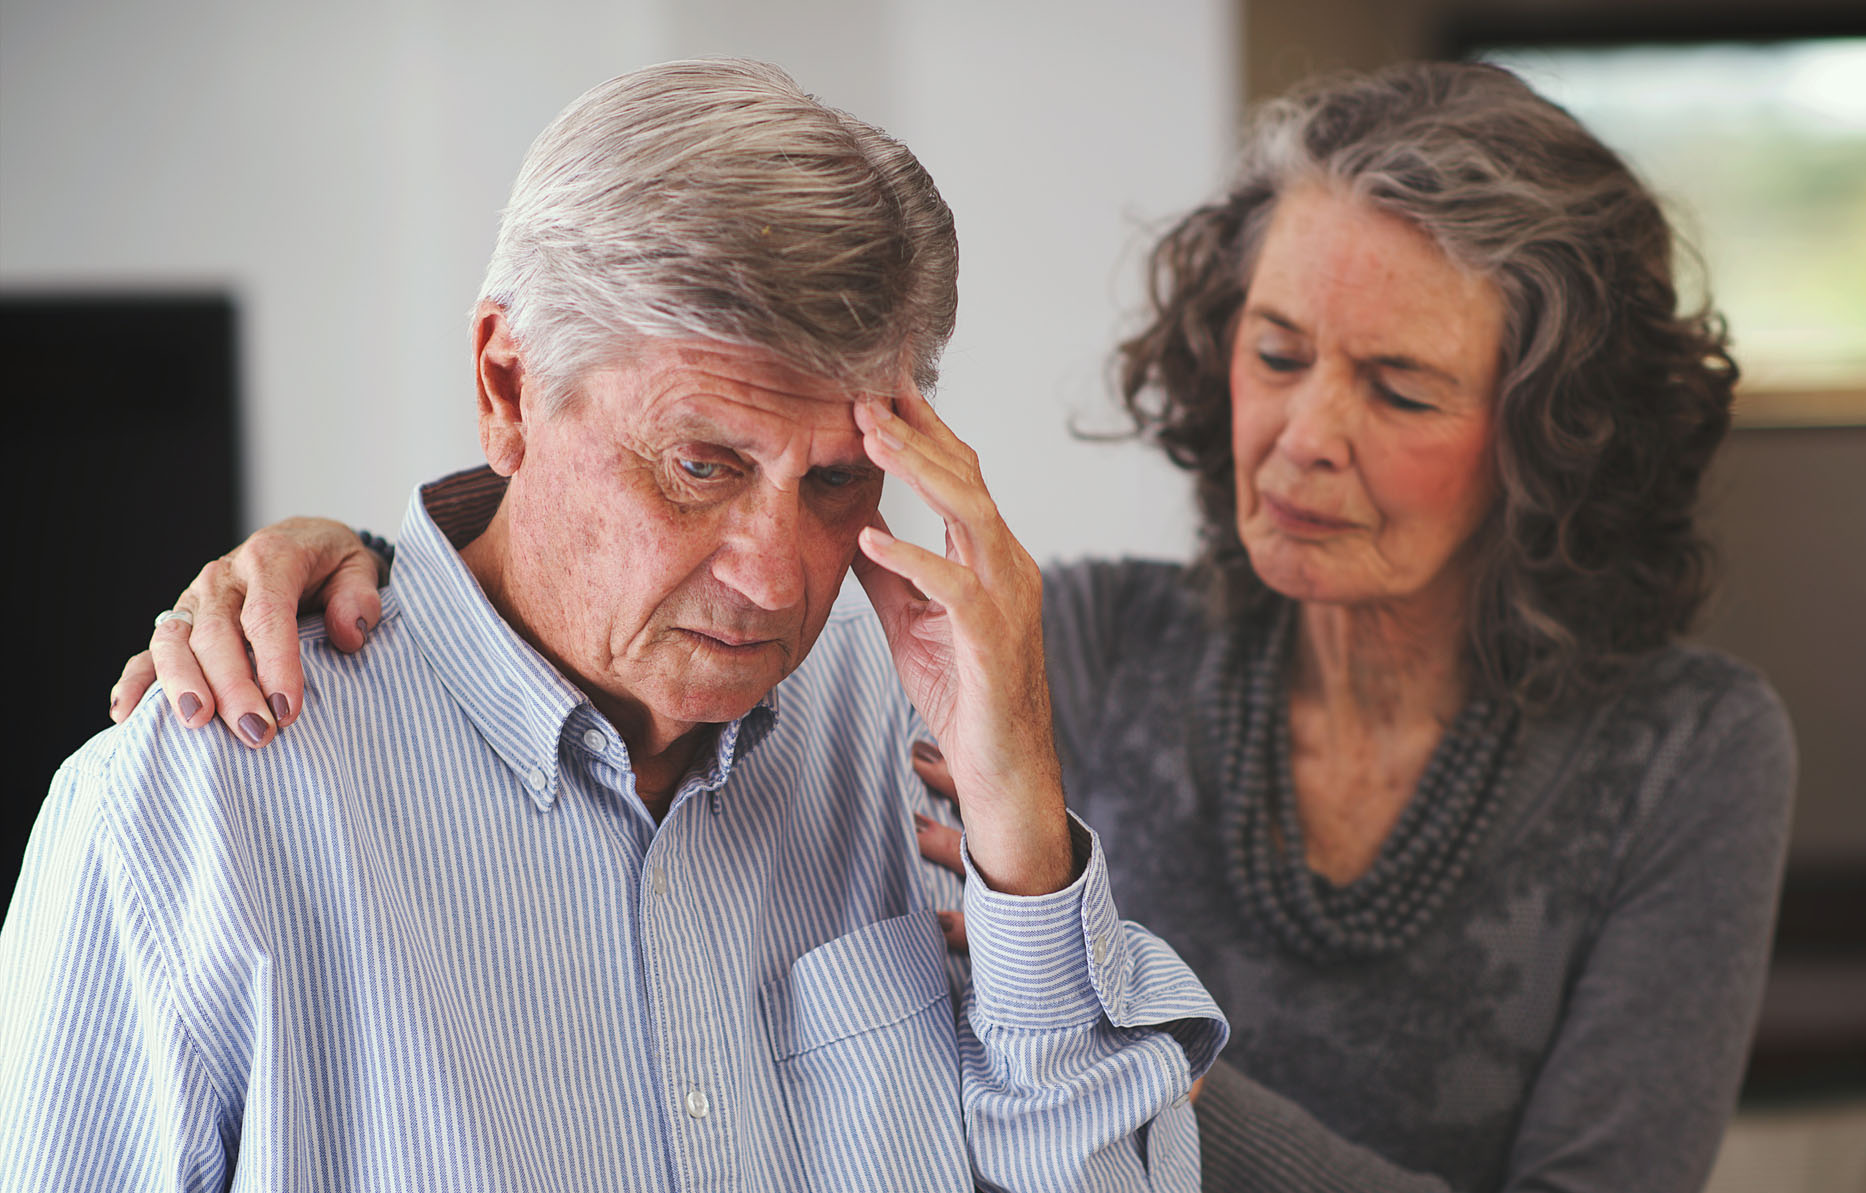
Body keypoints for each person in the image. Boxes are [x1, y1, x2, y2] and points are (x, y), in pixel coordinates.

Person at [107, 63, 1794, 1192]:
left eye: (1399, 384)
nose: (1303, 433)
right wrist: (353, 556)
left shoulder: (1685, 753)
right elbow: (562, 555)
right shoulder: (1062, 648)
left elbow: (1056, 1130)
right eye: (1275, 352)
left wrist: (1116, 1021)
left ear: (1545, 428)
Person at [3, 58, 1228, 1191]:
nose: (776, 575)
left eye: (838, 482)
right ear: (505, 385)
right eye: (701, 465)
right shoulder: (189, 819)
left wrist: (1026, 842)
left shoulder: (915, 732)